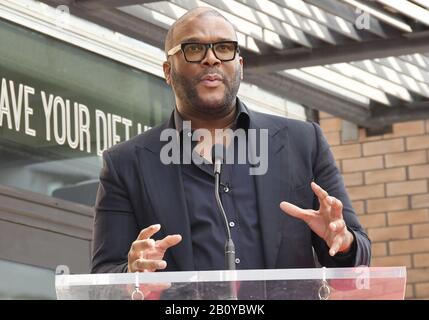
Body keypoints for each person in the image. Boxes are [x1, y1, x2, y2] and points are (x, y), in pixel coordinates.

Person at [91, 7, 371, 275]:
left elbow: (356, 257)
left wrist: (342, 241)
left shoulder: (304, 143)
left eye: (224, 48)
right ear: (168, 71)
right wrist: (132, 271)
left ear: (240, 65)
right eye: (194, 49)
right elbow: (104, 276)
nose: (211, 59)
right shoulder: (126, 164)